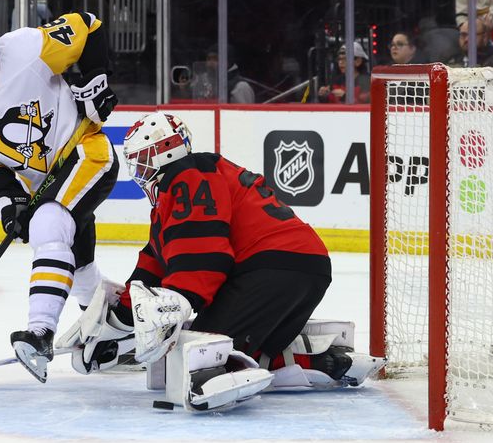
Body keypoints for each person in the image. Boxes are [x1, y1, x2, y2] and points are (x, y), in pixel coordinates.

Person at [57, 112, 385, 412]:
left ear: (163, 153)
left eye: (142, 162)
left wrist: (178, 307)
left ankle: (216, 374)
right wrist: (114, 319)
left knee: (195, 350)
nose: (139, 172)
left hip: (270, 269)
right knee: (250, 350)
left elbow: (204, 259)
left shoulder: (185, 179)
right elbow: (154, 264)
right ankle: (324, 360)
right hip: (306, 267)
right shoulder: (188, 184)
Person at [0, 11, 119, 383]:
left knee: (49, 223)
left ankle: (39, 334)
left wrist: (95, 80)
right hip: (42, 183)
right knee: (78, 260)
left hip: (85, 150)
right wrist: (10, 201)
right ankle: (114, 331)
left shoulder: (26, 48)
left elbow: (90, 24)